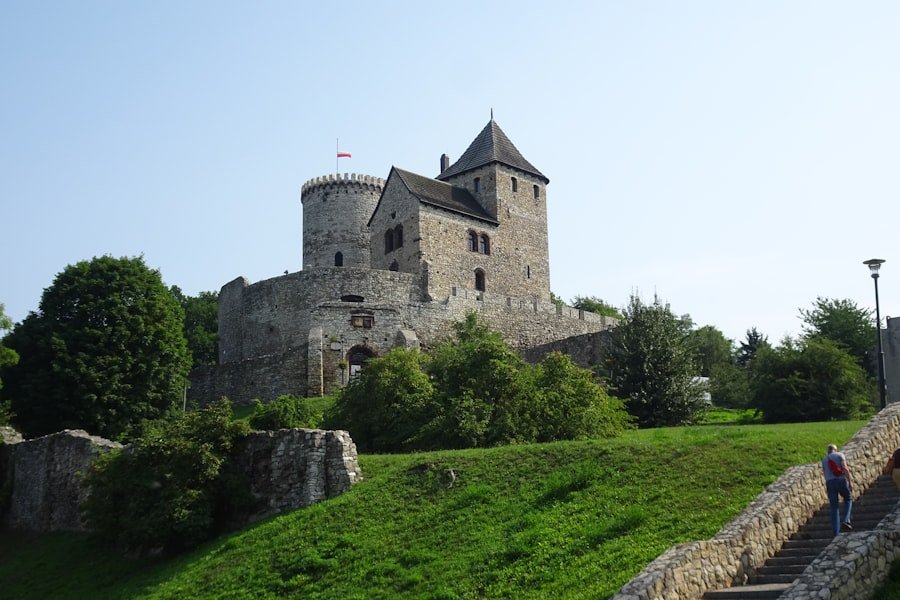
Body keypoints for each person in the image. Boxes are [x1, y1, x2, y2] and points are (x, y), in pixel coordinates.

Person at [822, 443, 853, 536]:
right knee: (848, 498)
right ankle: (846, 520)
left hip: (829, 483)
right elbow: (845, 468)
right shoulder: (840, 455)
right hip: (840, 480)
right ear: (836, 449)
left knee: (834, 507)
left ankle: (836, 532)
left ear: (828, 450)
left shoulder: (824, 459)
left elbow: (824, 472)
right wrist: (850, 482)